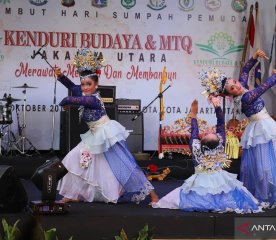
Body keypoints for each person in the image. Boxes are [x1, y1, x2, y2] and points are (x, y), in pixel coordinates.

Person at [200, 49, 276, 208]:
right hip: (261, 130)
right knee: (266, 167)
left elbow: (245, 70)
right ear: (230, 95)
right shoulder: (246, 97)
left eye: (235, 82)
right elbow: (264, 87)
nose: (237, 86)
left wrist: (254, 56)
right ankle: (266, 196)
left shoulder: (243, 90)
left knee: (275, 163)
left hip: (261, 128)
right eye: (233, 88)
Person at [55, 49, 158, 204]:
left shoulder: (94, 99)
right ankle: (72, 194)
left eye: (88, 84)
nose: (84, 88)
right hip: (94, 135)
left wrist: (65, 102)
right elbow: (72, 87)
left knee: (125, 164)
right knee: (74, 158)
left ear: (96, 85)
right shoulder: (83, 92)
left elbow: (75, 99)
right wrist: (61, 76)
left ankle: (154, 196)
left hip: (107, 134)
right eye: (83, 84)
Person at [152, 98, 263, 213]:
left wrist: (194, 114)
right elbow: (220, 123)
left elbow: (194, 131)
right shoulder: (220, 144)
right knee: (226, 192)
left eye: (208, 134)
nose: (210, 132)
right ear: (219, 141)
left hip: (201, 180)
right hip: (219, 177)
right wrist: (217, 107)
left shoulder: (195, 147)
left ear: (202, 140)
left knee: (185, 195)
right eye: (212, 133)